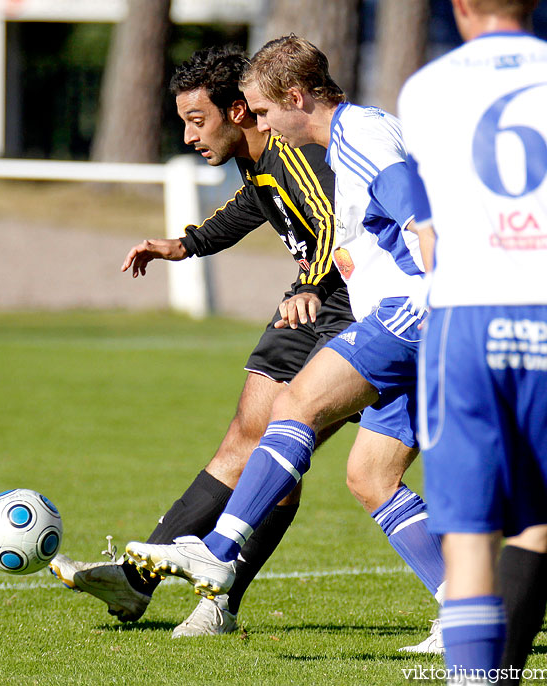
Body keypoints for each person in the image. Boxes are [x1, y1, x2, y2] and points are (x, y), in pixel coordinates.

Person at [124, 35, 446, 653]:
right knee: (370, 476)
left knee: (294, 407)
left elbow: (415, 216)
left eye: (265, 112)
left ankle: (218, 553)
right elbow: (370, 233)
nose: (260, 126)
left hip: (416, 315)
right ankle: (465, 603)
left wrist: (445, 295)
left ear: (295, 98)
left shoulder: (361, 138)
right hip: (409, 316)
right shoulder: (344, 143)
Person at [49, 45, 358, 638]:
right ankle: (142, 581)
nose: (190, 135)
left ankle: (207, 598)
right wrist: (183, 244)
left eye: (197, 120)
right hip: (307, 307)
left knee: (285, 458)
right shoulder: (258, 160)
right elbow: (252, 205)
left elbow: (335, 225)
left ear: (239, 110)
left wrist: (310, 285)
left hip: (349, 312)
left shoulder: (298, 154)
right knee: (248, 441)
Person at [397, 0, 547, 683]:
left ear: (460, 7)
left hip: (464, 323)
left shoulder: (424, 89)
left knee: (472, 528)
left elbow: (430, 221)